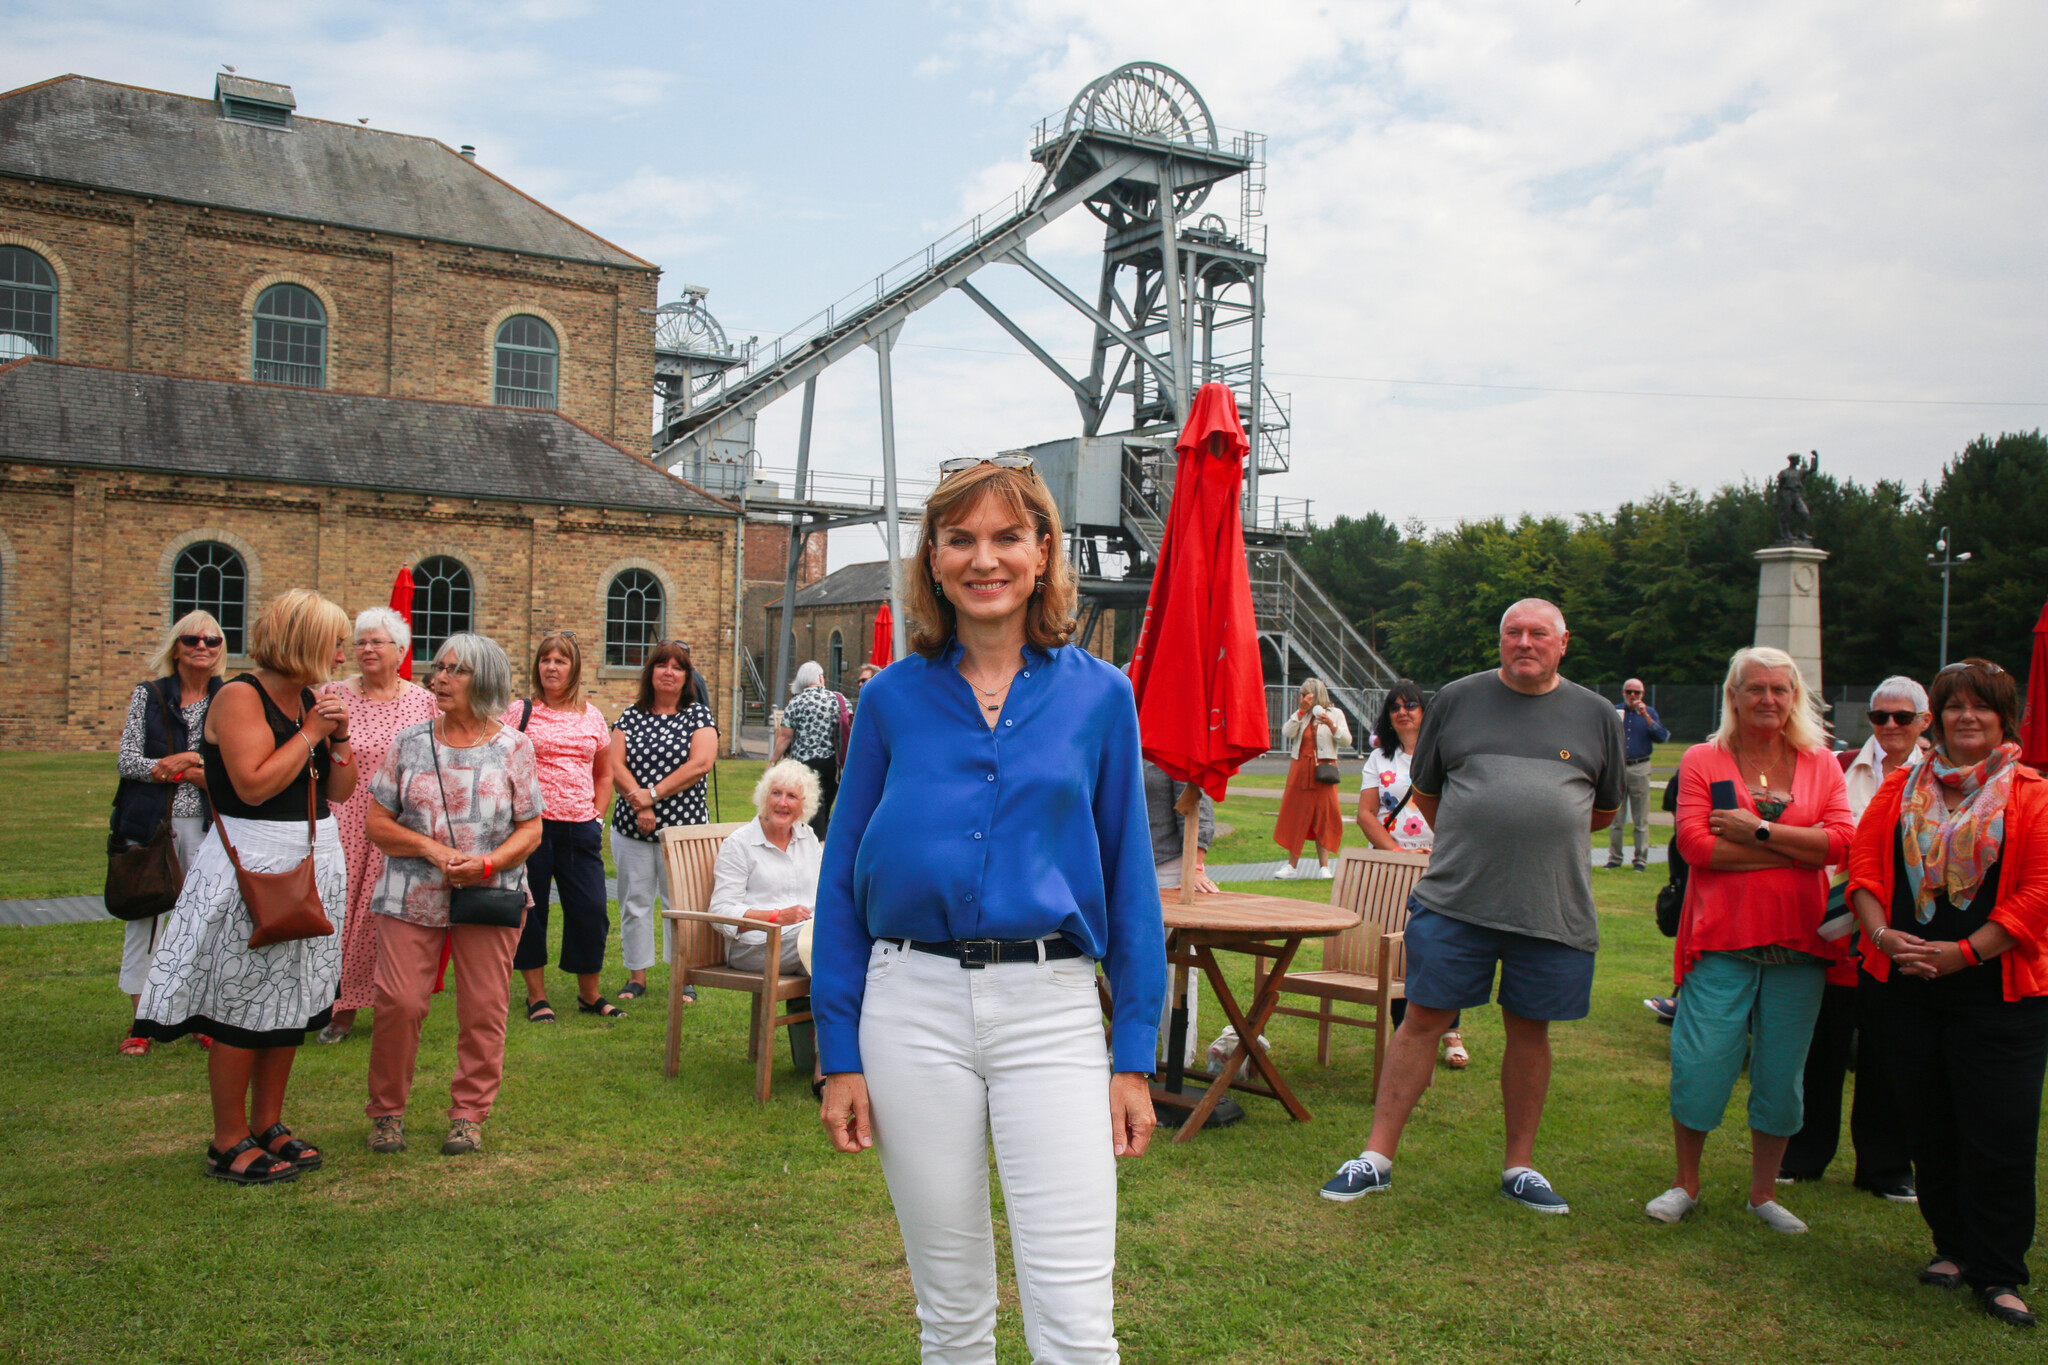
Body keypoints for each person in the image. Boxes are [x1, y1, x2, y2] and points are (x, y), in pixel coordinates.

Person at [812, 455, 1164, 1363]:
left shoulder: (1101, 695)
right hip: (910, 1011)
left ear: (1044, 552)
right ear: (931, 558)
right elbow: (842, 879)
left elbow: (1130, 883)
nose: (985, 557)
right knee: (953, 1314)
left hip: (1050, 1012)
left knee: (1078, 1320)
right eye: (960, 537)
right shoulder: (889, 699)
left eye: (1008, 536)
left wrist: (1132, 1056)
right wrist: (838, 1053)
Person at [1319, 598, 1623, 1214]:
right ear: (1500, 640)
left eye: (1540, 633)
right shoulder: (1457, 700)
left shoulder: (1596, 715)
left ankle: (1520, 1166)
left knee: (1529, 1029)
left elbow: (1602, 811)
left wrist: (1532, 829)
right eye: (1514, 632)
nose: (1525, 642)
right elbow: (1428, 797)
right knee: (1423, 1020)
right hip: (1456, 899)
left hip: (1550, 905)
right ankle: (1375, 1157)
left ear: (1564, 642)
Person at [131, 588, 356, 1185]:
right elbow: (253, 785)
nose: (342, 651)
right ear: (301, 639)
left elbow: (339, 792)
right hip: (250, 867)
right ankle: (227, 1140)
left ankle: (268, 1124)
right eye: (333, 639)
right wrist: (310, 731)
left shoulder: (310, 699)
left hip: (309, 859)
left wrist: (339, 737)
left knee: (290, 1002)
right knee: (240, 1004)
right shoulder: (239, 696)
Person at [1850, 658, 2048, 1329]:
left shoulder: (2031, 793)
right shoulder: (1902, 787)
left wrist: (1965, 952)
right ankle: (1952, 1248)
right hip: (1905, 987)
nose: (1968, 716)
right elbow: (1866, 866)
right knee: (1929, 1123)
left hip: (2000, 992)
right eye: (1955, 705)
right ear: (1939, 716)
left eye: (1981, 706)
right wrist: (1881, 936)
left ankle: (1999, 1271)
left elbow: (2037, 895)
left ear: (2003, 717)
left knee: (2000, 1131)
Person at [1644, 646, 1853, 1233]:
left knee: (1782, 1075)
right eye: (1755, 689)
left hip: (1801, 944)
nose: (1768, 700)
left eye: (1780, 690)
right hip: (1722, 938)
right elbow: (1697, 847)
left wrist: (1757, 830)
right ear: (1733, 696)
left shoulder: (1821, 762)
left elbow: (1841, 843)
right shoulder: (1703, 759)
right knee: (1700, 1063)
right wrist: (1794, 845)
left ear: (1796, 698)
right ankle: (1686, 1183)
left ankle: (1763, 1193)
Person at [363, 632, 543, 1156]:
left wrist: (486, 863)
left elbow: (530, 830)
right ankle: (386, 1112)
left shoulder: (515, 746)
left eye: (455, 670)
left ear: (483, 680)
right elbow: (378, 822)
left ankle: (468, 1113)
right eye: (438, 668)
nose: (439, 679)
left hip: (491, 894)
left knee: (484, 1007)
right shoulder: (410, 742)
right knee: (400, 1002)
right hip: (410, 893)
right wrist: (434, 851)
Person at [1778, 674, 1926, 1196]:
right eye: (1879, 716)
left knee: (1887, 1051)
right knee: (1821, 1049)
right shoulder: (1839, 768)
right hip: (1839, 931)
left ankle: (1885, 1167)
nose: (1889, 726)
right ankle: (1803, 1155)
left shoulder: (1936, 777)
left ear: (1923, 722)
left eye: (1901, 717)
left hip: (1900, 933)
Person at [320, 607, 438, 1044]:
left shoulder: (424, 704)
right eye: (361, 642)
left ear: (400, 651)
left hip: (395, 826)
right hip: (341, 821)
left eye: (377, 642)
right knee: (333, 912)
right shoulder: (332, 695)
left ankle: (349, 1007)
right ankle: (318, 1000)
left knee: (379, 918)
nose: (367, 649)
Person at [111, 610, 226, 1055]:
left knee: (202, 922)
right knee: (146, 919)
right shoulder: (150, 695)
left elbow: (231, 768)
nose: (202, 647)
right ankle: (142, 1022)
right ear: (176, 646)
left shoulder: (230, 698)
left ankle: (198, 1016)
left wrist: (193, 766)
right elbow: (127, 760)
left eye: (212, 641)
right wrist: (181, 769)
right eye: (192, 639)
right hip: (151, 825)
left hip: (209, 827)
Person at [1356, 680, 1466, 1070]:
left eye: (1412, 705)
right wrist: (1399, 853)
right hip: (1393, 862)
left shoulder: (1445, 753)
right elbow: (1366, 815)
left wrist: (1441, 851)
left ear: (1425, 711)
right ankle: (1404, 1031)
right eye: (1395, 707)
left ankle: (1451, 1029)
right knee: (1398, 947)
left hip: (1440, 862)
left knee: (1440, 947)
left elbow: (1461, 805)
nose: (1403, 712)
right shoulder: (1379, 759)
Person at [506, 630, 614, 1025]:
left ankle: (589, 994)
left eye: (560, 660)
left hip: (581, 827)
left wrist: (597, 816)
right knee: (531, 911)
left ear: (574, 669)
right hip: (533, 828)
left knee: (591, 910)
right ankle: (537, 996)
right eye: (546, 660)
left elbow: (604, 773)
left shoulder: (593, 716)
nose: (551, 667)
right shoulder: (520, 712)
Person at [608, 640, 718, 1004]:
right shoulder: (629, 715)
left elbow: (700, 764)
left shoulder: (698, 715)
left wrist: (652, 795)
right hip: (632, 827)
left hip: (682, 830)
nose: (668, 672)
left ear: (687, 677)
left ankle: (683, 975)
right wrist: (640, 804)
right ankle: (636, 975)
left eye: (677, 667)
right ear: (650, 673)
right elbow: (615, 764)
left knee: (681, 905)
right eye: (661, 665)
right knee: (634, 902)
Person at [1147, 758, 1216, 1071]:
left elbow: (1197, 806)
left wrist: (1194, 867)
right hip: (1122, 867)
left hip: (1170, 870)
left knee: (1175, 969)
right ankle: (1120, 1050)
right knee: (1119, 968)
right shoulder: (1116, 723)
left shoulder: (1170, 735)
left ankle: (1176, 1060)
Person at [1273, 678, 1351, 879]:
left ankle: (1324, 866)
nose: (1301, 698)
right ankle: (1291, 865)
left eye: (1305, 694)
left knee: (1324, 815)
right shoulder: (1301, 714)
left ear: (1315, 694)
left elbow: (1346, 740)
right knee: (1296, 815)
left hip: (1324, 771)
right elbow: (1287, 732)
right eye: (1301, 694)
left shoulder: (1335, 713)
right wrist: (1300, 712)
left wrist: (1332, 726)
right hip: (1300, 769)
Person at [773, 661, 844, 838]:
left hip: (804, 763)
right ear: (820, 677)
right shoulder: (839, 700)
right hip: (833, 761)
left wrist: (773, 760)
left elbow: (785, 736)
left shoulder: (796, 703)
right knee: (826, 804)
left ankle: (817, 846)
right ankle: (822, 843)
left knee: (813, 808)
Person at [1606, 677, 1670, 870]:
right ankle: (1614, 858)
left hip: (1640, 767)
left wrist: (1646, 717)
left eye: (1637, 692)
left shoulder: (1648, 713)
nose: (1632, 696)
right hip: (1618, 767)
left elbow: (1662, 737)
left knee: (1640, 818)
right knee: (1616, 818)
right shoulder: (1616, 712)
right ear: (1623, 692)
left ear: (1643, 694)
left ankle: (1640, 859)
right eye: (1629, 692)